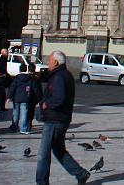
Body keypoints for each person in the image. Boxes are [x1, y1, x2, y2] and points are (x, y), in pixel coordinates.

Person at [36, 51, 89, 185]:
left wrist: (46, 104)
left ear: (55, 62)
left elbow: (59, 98)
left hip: (54, 120)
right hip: (62, 118)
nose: (48, 63)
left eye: (49, 60)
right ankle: (80, 173)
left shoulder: (59, 76)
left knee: (43, 154)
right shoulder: (66, 75)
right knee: (59, 150)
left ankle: (41, 182)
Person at [7, 63, 33, 133]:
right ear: (26, 69)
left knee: (15, 113)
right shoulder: (29, 78)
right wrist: (39, 98)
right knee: (24, 114)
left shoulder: (16, 78)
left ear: (19, 69)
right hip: (25, 98)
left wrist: (9, 97)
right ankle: (23, 129)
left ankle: (14, 127)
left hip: (16, 98)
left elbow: (12, 87)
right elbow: (34, 88)